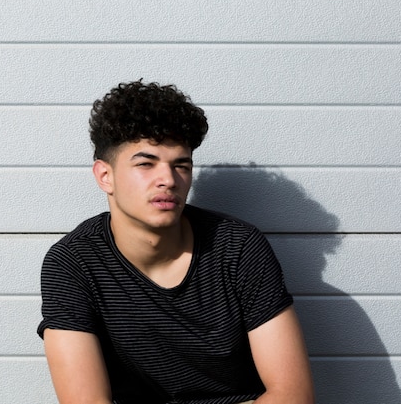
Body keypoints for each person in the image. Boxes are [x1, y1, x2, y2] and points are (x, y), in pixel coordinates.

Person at [37, 80, 314, 404]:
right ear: (104, 176)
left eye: (180, 165)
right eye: (146, 163)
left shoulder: (237, 248)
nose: (168, 180)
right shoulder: (73, 264)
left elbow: (294, 397)